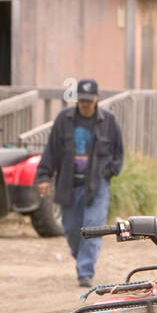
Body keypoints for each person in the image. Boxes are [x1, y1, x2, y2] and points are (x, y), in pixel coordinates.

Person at [34, 78, 124, 286]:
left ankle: (85, 271)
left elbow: (119, 153)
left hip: (97, 185)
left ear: (96, 99)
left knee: (93, 227)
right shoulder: (64, 119)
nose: (84, 104)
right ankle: (83, 257)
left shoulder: (109, 122)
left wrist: (109, 172)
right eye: (81, 100)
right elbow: (52, 151)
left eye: (88, 100)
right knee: (72, 228)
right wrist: (44, 176)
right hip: (69, 183)